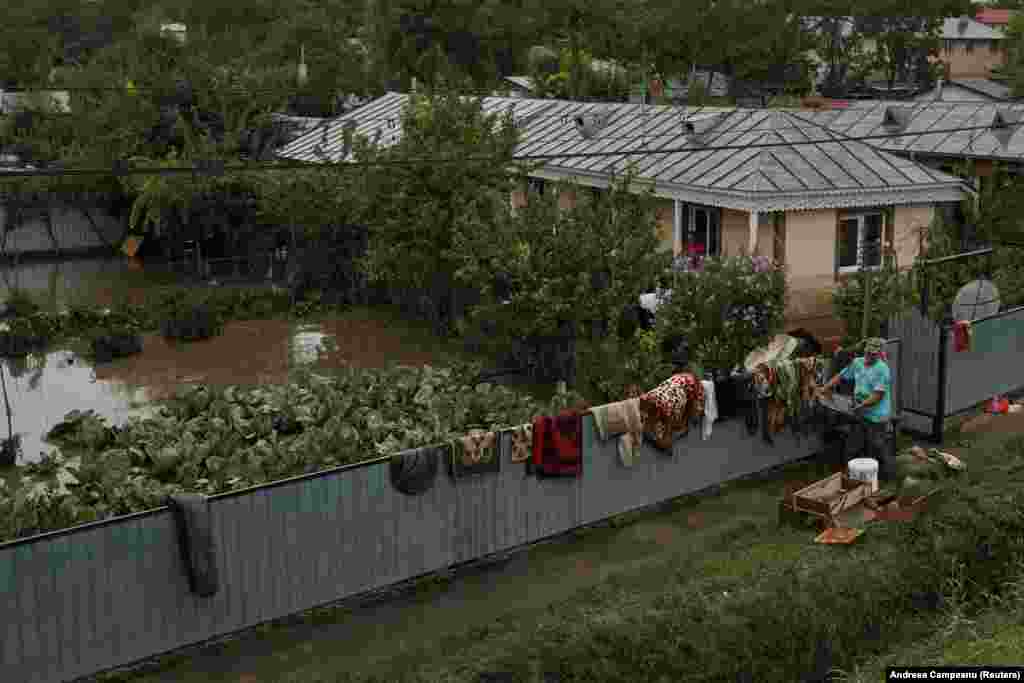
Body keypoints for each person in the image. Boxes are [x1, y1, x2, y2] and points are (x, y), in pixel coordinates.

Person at [817, 337, 894, 480]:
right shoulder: (857, 363)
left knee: (877, 447)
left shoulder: (882, 370)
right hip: (859, 412)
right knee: (852, 445)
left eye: (873, 354)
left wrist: (861, 406)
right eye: (868, 352)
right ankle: (850, 476)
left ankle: (885, 476)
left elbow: (877, 396)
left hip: (877, 416)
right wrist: (825, 388)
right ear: (865, 350)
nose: (869, 356)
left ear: (879, 355)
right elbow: (841, 376)